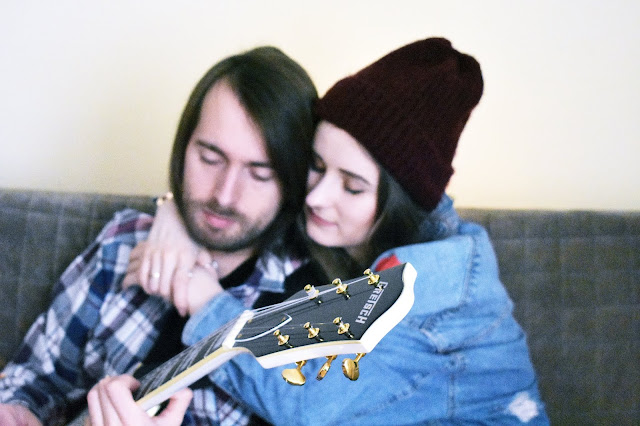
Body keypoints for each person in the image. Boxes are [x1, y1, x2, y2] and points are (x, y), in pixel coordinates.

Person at [88, 38, 550, 424]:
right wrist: (174, 216)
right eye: (317, 165)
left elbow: (304, 405)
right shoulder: (351, 233)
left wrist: (208, 304)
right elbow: (236, 203)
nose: (316, 197)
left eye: (352, 186)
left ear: (400, 202)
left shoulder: (427, 291)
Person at [0, 45, 320, 425]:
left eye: (259, 174)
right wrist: (19, 410)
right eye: (210, 158)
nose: (224, 195)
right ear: (183, 148)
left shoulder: (308, 299)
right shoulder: (126, 241)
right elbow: (38, 376)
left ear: (293, 179)